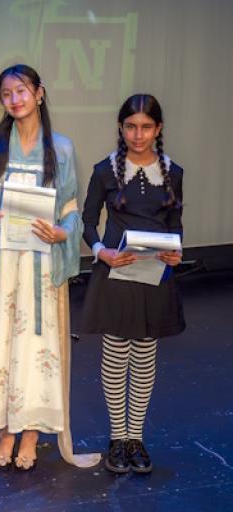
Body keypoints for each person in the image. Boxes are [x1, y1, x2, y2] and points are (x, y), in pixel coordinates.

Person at [0, 64, 99, 471]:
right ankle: (4, 432)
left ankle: (31, 434)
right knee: (0, 342)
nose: (14, 99)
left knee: (34, 348)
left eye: (21, 91)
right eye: (6, 93)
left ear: (39, 93)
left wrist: (61, 232)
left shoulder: (63, 149)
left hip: (39, 262)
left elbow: (70, 207)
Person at [80, 94, 184, 474]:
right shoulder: (105, 171)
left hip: (155, 277)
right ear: (121, 128)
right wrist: (100, 251)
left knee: (144, 354)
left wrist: (176, 251)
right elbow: (87, 221)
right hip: (116, 273)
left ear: (157, 130)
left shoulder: (173, 172)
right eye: (130, 126)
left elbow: (175, 224)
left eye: (145, 127)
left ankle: (135, 438)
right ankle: (117, 437)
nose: (137, 135)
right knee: (115, 353)